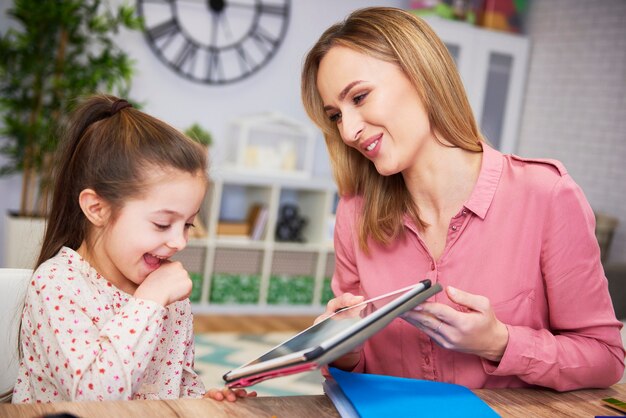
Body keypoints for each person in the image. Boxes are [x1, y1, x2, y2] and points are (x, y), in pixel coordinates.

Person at [301, 7, 625, 391]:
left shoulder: (545, 195)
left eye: (360, 96)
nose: (350, 130)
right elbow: (358, 369)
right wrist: (341, 349)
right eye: (336, 115)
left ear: (421, 74)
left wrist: (500, 342)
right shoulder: (355, 215)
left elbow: (605, 358)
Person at [12, 94, 254, 403]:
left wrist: (204, 401)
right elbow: (94, 400)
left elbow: (178, 388)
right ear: (97, 208)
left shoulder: (169, 296)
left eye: (188, 224)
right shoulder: (58, 285)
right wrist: (149, 301)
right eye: (162, 224)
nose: (179, 242)